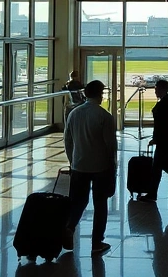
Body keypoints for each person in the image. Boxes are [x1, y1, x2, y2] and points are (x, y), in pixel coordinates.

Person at [63, 79, 117, 255]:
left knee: (78, 202)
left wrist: (73, 161)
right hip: (100, 167)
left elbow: (68, 141)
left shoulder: (74, 113)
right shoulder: (104, 116)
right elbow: (110, 146)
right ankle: (96, 242)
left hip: (79, 165)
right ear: (100, 94)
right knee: (100, 204)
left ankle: (69, 228)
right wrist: (112, 167)